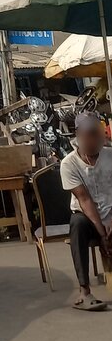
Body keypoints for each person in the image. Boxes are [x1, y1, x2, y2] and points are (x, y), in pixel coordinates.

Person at [60, 111, 112, 311]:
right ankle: (84, 292)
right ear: (80, 136)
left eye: (99, 134)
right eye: (93, 134)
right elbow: (84, 199)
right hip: (90, 219)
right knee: (78, 224)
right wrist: (102, 232)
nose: (99, 139)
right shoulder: (69, 164)